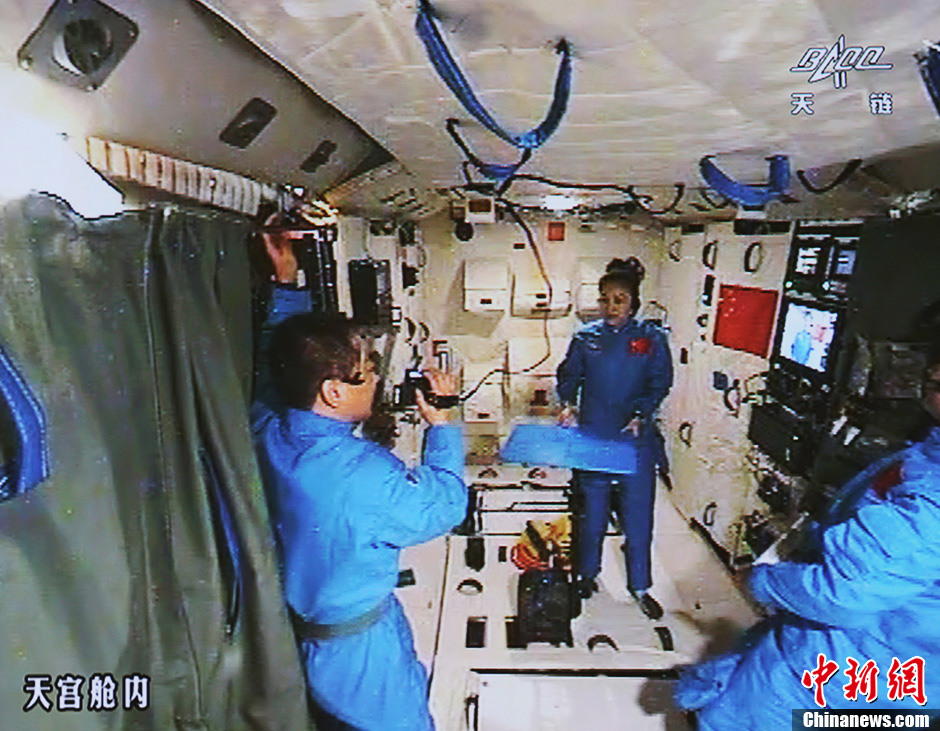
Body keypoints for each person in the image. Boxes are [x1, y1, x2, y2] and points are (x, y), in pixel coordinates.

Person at [251, 223, 467, 730]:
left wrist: (286, 285)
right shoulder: (364, 476)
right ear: (333, 391)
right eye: (368, 370)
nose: (375, 378)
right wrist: (444, 424)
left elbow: (277, 367)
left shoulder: (268, 430)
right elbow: (444, 505)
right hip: (362, 660)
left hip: (304, 642)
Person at [675, 335, 940, 729]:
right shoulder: (926, 456)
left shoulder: (931, 498)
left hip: (844, 672)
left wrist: (760, 582)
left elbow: (841, 593)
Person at [556, 257, 673, 619]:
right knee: (591, 517)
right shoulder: (586, 338)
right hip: (594, 440)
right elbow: (568, 377)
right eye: (604, 299)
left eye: (619, 300)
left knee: (638, 520)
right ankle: (587, 576)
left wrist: (641, 413)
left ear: (633, 303)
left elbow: (660, 382)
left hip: (633, 442)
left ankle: (640, 587)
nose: (610, 307)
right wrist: (566, 404)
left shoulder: (649, 339)